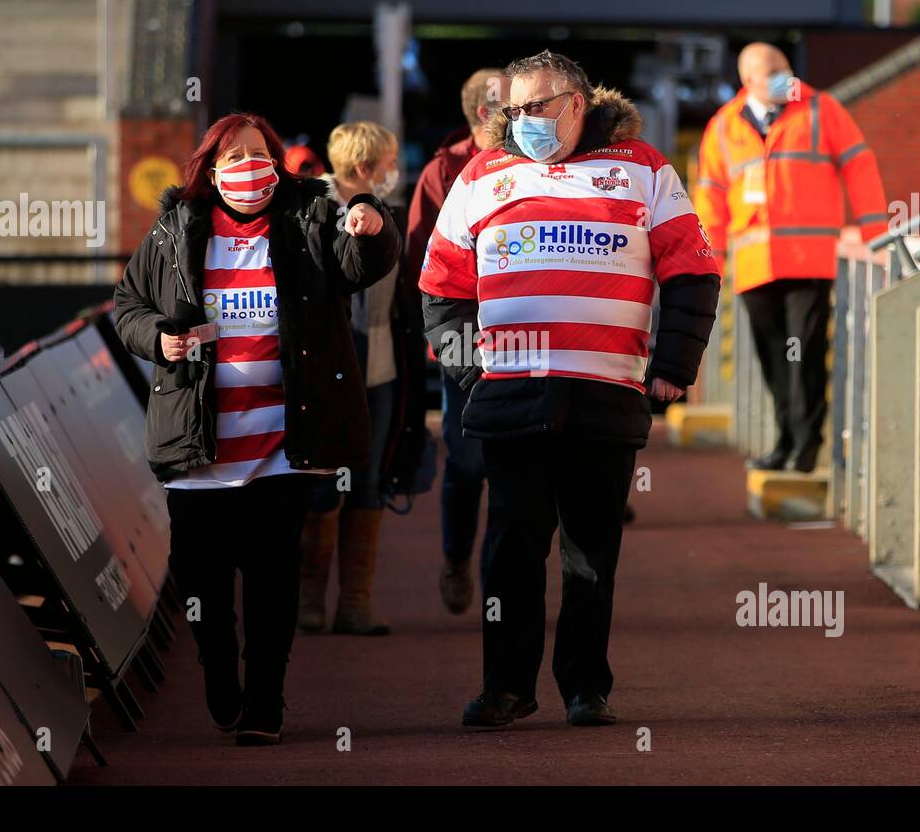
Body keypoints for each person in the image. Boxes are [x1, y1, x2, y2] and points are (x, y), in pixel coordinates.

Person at [419, 50, 719, 728]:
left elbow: (693, 270)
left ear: (578, 103)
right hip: (512, 398)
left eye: (538, 106)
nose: (523, 120)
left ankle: (587, 687)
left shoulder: (643, 169)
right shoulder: (482, 175)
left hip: (605, 395)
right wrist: (473, 371)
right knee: (511, 551)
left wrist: (673, 366)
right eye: (514, 109)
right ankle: (506, 687)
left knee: (591, 554)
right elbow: (440, 287)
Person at [112, 112, 399, 744]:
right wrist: (160, 340)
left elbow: (360, 265)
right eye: (235, 158)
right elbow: (127, 307)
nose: (250, 169)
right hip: (198, 449)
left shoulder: (310, 217)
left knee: (272, 580)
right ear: (210, 169)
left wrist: (372, 220)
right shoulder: (174, 229)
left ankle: (266, 700)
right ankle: (221, 675)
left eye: (261, 155)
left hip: (279, 447)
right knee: (203, 584)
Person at [693, 42, 888, 473]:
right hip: (754, 265)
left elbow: (859, 164)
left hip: (807, 259)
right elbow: (710, 199)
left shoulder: (821, 109)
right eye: (773, 73)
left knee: (806, 354)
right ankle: (785, 438)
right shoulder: (724, 127)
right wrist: (711, 265)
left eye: (786, 69)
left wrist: (877, 236)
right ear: (748, 82)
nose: (786, 79)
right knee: (773, 357)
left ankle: (805, 444)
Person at [298, 121, 427, 636]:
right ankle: (310, 602)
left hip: (382, 371)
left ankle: (355, 602)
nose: (398, 170)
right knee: (324, 481)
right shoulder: (311, 211)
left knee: (369, 481)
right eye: (391, 161)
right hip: (330, 374)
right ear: (365, 167)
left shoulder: (385, 213)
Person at [407, 67, 509, 614]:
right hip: (465, 341)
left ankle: (507, 587)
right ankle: (455, 558)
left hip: (529, 338)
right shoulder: (443, 173)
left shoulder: (540, 165)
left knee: (522, 466)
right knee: (468, 460)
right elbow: (421, 268)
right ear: (483, 112)